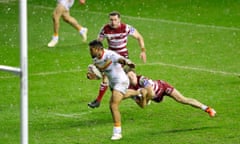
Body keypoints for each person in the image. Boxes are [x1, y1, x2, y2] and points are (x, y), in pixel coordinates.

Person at [88, 11, 146, 108]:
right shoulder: (105, 29)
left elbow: (139, 37)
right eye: (111, 20)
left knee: (133, 79)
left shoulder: (126, 28)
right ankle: (98, 100)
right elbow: (97, 43)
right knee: (105, 79)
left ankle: (139, 94)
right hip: (111, 59)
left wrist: (143, 51)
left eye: (115, 20)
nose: (113, 22)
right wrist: (96, 59)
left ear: (119, 19)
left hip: (124, 58)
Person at [88, 40, 137, 140]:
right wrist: (93, 76)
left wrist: (127, 62)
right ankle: (138, 93)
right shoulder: (96, 59)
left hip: (121, 81)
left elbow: (119, 59)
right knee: (119, 98)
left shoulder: (110, 54)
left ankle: (117, 132)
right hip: (113, 83)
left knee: (113, 105)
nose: (90, 52)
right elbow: (102, 73)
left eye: (91, 50)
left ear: (98, 49)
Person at [127, 70, 217, 117]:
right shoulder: (130, 90)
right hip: (154, 97)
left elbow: (152, 93)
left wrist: (146, 97)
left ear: (135, 74)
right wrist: (143, 98)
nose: (132, 77)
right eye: (129, 76)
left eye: (132, 75)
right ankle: (150, 98)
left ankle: (208, 109)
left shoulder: (142, 80)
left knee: (182, 99)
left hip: (162, 87)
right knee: (147, 95)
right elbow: (142, 106)